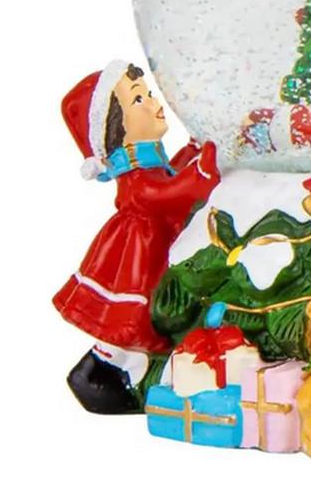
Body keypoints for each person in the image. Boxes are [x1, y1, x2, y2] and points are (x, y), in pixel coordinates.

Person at [53, 60, 220, 413]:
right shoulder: (135, 172)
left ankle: (118, 370)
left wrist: (193, 151)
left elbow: (169, 174)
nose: (155, 103)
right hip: (139, 253)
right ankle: (105, 376)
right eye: (139, 100)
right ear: (116, 129)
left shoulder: (149, 161)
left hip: (153, 242)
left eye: (148, 94)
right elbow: (161, 193)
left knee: (139, 325)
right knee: (135, 318)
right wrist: (203, 171)